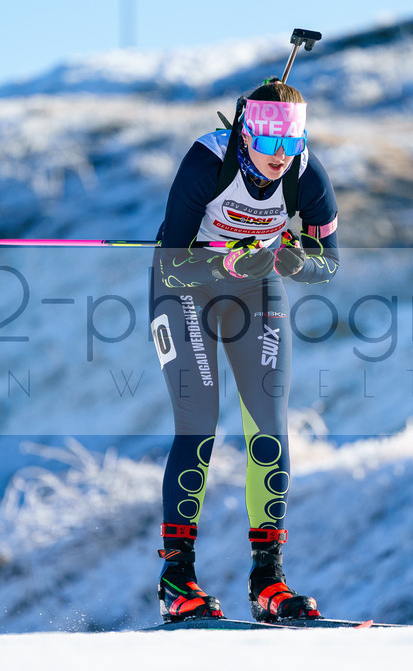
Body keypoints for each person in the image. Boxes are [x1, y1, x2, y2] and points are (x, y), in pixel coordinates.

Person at [149, 79, 340, 623]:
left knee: (270, 429)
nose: (282, 158)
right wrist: (228, 264)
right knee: (200, 421)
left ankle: (268, 582)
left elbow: (329, 263)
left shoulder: (307, 175)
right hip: (186, 286)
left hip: (257, 289)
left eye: (292, 144)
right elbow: (171, 262)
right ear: (245, 133)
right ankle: (176, 579)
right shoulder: (207, 162)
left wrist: (293, 261)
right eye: (271, 144)